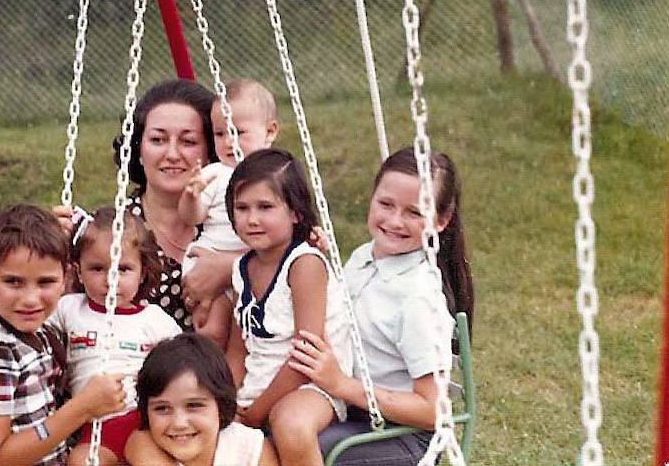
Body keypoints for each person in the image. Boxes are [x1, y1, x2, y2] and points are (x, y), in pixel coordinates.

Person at [288, 147, 474, 466]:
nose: (394, 221)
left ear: (441, 221)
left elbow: (433, 411)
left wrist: (341, 384)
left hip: (401, 436)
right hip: (350, 410)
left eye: (414, 212)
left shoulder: (419, 296)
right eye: (385, 204)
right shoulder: (364, 256)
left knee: (289, 446)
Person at [0, 204, 127, 466]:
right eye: (13, 282)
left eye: (45, 282)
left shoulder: (38, 333)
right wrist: (83, 407)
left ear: (66, 278)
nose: (31, 299)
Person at [55, 79, 233, 332]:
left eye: (188, 142)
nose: (172, 154)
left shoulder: (234, 219)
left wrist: (231, 267)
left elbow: (282, 260)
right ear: (138, 149)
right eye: (158, 140)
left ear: (210, 151)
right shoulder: (106, 231)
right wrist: (51, 252)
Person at [225, 148, 353, 466]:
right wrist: (225, 400)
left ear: (295, 212)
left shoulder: (304, 265)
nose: (252, 219)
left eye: (265, 207)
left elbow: (305, 356)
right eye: (241, 208)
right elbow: (238, 351)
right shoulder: (241, 269)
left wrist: (256, 412)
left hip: (313, 386)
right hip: (258, 384)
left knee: (289, 423)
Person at [48, 206, 182, 466]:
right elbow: (21, 328)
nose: (110, 281)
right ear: (77, 270)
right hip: (93, 426)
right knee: (80, 462)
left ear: (142, 272)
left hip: (142, 422)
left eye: (123, 269)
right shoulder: (70, 308)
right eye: (97, 268)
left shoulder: (154, 320)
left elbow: (185, 359)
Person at [178, 79, 279, 347]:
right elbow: (193, 217)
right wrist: (191, 196)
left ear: (269, 132)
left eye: (238, 132)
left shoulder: (277, 173)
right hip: (207, 258)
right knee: (214, 329)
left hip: (251, 267)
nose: (228, 141)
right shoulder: (215, 174)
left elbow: (296, 217)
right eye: (220, 134)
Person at [125, 333, 279, 466]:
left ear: (221, 404)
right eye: (162, 408)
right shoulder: (146, 446)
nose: (179, 423)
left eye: (193, 405)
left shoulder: (249, 449)